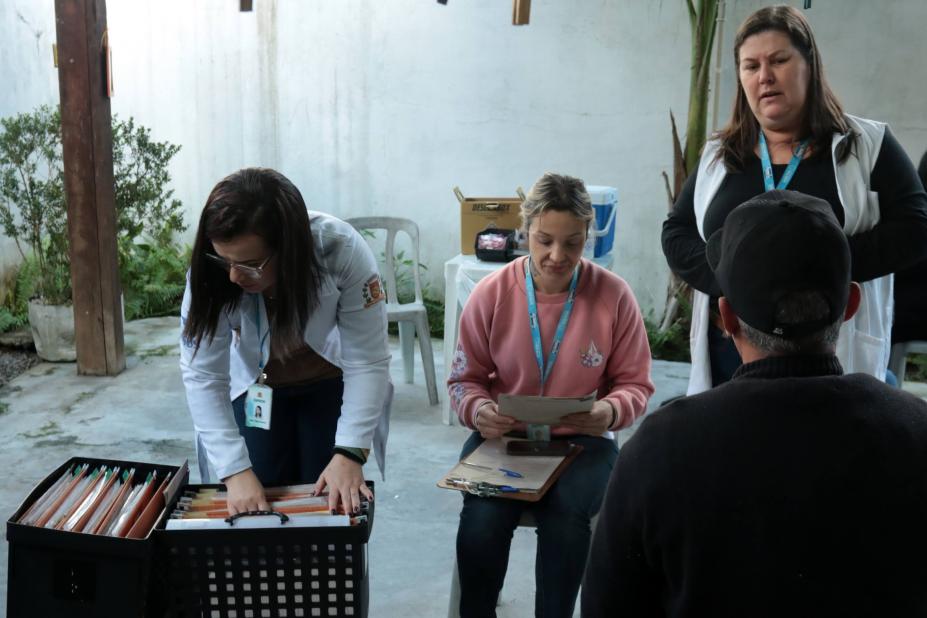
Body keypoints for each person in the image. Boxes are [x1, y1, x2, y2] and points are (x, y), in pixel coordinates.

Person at [583, 190, 927, 617]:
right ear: (851, 305)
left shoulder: (664, 447)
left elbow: (608, 606)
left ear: (726, 318)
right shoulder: (915, 430)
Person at [662, 4, 927, 393]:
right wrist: (730, 279)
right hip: (731, 350)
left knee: (824, 448)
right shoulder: (720, 153)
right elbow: (677, 232)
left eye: (779, 60)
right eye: (751, 66)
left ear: (810, 65)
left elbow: (917, 226)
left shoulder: (867, 145)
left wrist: (829, 268)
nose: (764, 76)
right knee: (733, 447)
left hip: (831, 349)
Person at [447, 172, 654, 617]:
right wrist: (478, 409)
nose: (556, 256)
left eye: (573, 243)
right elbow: (464, 381)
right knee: (483, 520)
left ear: (587, 238)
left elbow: (635, 384)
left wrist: (609, 411)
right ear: (525, 232)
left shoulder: (614, 296)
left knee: (568, 519)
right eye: (543, 240)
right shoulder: (492, 294)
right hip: (504, 439)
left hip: (583, 441)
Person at [180, 168, 392, 515]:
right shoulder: (210, 273)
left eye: (250, 264)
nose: (233, 276)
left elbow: (367, 360)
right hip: (256, 386)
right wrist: (234, 471)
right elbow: (203, 375)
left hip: (328, 381)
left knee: (328, 500)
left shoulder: (341, 249)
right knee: (255, 498)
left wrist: (350, 452)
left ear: (289, 248)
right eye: (225, 260)